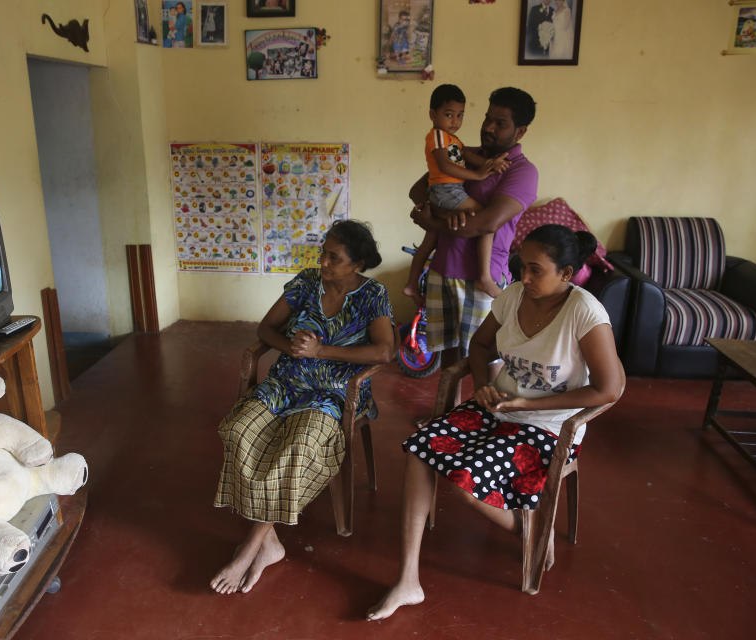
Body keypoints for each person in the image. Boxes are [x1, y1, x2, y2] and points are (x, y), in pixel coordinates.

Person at [367, 225, 625, 621]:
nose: (524, 278)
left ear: (567, 274)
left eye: (536, 270)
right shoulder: (513, 296)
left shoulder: (584, 312)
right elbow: (481, 344)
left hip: (548, 425)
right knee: (422, 449)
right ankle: (408, 581)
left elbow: (610, 388)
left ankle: (529, 530)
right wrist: (485, 386)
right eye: (523, 267)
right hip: (499, 407)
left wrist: (531, 404)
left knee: (464, 476)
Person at [210, 220, 396, 595]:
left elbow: (385, 351)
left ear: (357, 264)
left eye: (334, 257)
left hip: (332, 394)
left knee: (297, 447)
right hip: (286, 384)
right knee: (238, 428)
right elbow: (266, 329)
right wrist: (289, 346)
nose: (323, 262)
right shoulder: (307, 282)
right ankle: (271, 543)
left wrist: (321, 351)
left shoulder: (373, 294)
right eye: (323, 253)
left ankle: (250, 548)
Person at [407, 87, 539, 375]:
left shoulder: (522, 171)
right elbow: (419, 189)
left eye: (500, 123)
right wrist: (439, 210)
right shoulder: (465, 154)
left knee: (486, 363)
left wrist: (432, 223)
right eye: (487, 119)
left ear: (521, 131)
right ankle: (445, 417)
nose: (488, 128)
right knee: (450, 364)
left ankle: (487, 420)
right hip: (443, 270)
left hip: (484, 280)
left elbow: (485, 224)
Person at [404, 84, 510, 309]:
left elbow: (469, 156)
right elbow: (445, 165)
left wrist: (492, 164)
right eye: (448, 114)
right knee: (486, 220)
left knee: (430, 238)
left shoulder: (453, 140)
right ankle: (484, 276)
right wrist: (478, 175)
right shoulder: (438, 137)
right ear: (433, 115)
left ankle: (411, 284)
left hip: (445, 193)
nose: (455, 121)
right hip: (446, 191)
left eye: (460, 115)